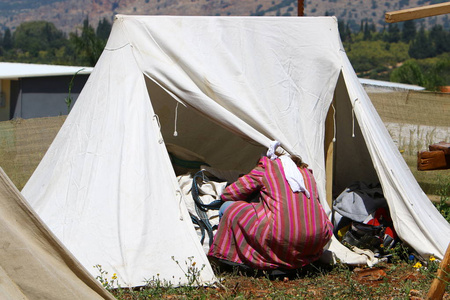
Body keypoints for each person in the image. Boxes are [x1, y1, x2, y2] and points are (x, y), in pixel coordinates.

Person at [208, 145, 333, 270]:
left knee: (228, 207)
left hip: (282, 235)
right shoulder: (307, 173)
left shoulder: (266, 167)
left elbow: (230, 193)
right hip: (317, 236)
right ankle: (294, 261)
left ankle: (230, 260)